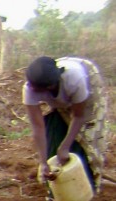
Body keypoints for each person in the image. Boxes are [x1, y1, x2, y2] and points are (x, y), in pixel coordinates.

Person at [22, 56, 107, 193]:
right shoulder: (30, 89)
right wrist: (43, 162)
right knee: (57, 127)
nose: (31, 89)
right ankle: (57, 191)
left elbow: (79, 116)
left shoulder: (75, 81)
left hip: (88, 79)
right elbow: (38, 127)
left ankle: (88, 185)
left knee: (86, 136)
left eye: (36, 88)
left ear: (49, 87)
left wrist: (65, 147)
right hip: (60, 90)